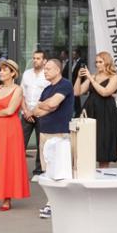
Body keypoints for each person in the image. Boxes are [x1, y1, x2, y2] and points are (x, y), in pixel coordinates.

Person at [32, 57, 75, 217]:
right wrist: (47, 105)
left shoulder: (65, 85)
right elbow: (36, 111)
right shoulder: (46, 89)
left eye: (48, 68)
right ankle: (52, 203)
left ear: (58, 70)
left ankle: (56, 205)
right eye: (44, 69)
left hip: (60, 133)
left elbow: (52, 104)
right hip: (44, 133)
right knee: (47, 171)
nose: (45, 71)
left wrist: (46, 105)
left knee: (60, 170)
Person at [0, 60, 29, 211]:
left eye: (5, 70)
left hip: (10, 129)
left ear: (13, 73)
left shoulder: (18, 90)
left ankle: (7, 197)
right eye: (1, 70)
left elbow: (10, 111)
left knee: (8, 161)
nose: (1, 72)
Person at [73, 51, 117, 167]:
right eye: (96, 62)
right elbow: (77, 92)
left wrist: (90, 78)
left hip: (106, 112)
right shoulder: (94, 76)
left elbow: (105, 92)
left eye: (100, 62)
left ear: (107, 62)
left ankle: (103, 171)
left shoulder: (114, 77)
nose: (97, 64)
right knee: (87, 142)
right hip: (91, 111)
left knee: (103, 142)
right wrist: (79, 77)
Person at [19, 50, 48, 155]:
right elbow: (21, 94)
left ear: (44, 61)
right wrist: (26, 111)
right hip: (26, 115)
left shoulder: (47, 75)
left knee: (41, 145)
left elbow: (48, 98)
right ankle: (19, 164)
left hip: (41, 114)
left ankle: (39, 166)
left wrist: (33, 112)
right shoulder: (27, 74)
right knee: (20, 143)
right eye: (34, 58)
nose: (35, 60)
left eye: (38, 58)